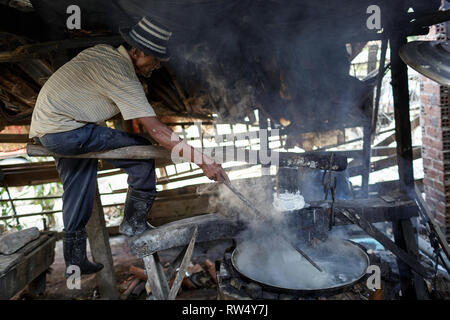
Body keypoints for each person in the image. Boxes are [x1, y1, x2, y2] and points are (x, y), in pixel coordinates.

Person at [28, 17, 229, 277]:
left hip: (52, 132)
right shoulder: (121, 74)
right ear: (137, 52)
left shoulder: (100, 53)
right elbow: (156, 130)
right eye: (155, 59)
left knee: (78, 185)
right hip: (68, 130)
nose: (157, 66)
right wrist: (203, 161)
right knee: (142, 154)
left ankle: (74, 259)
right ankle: (134, 225)